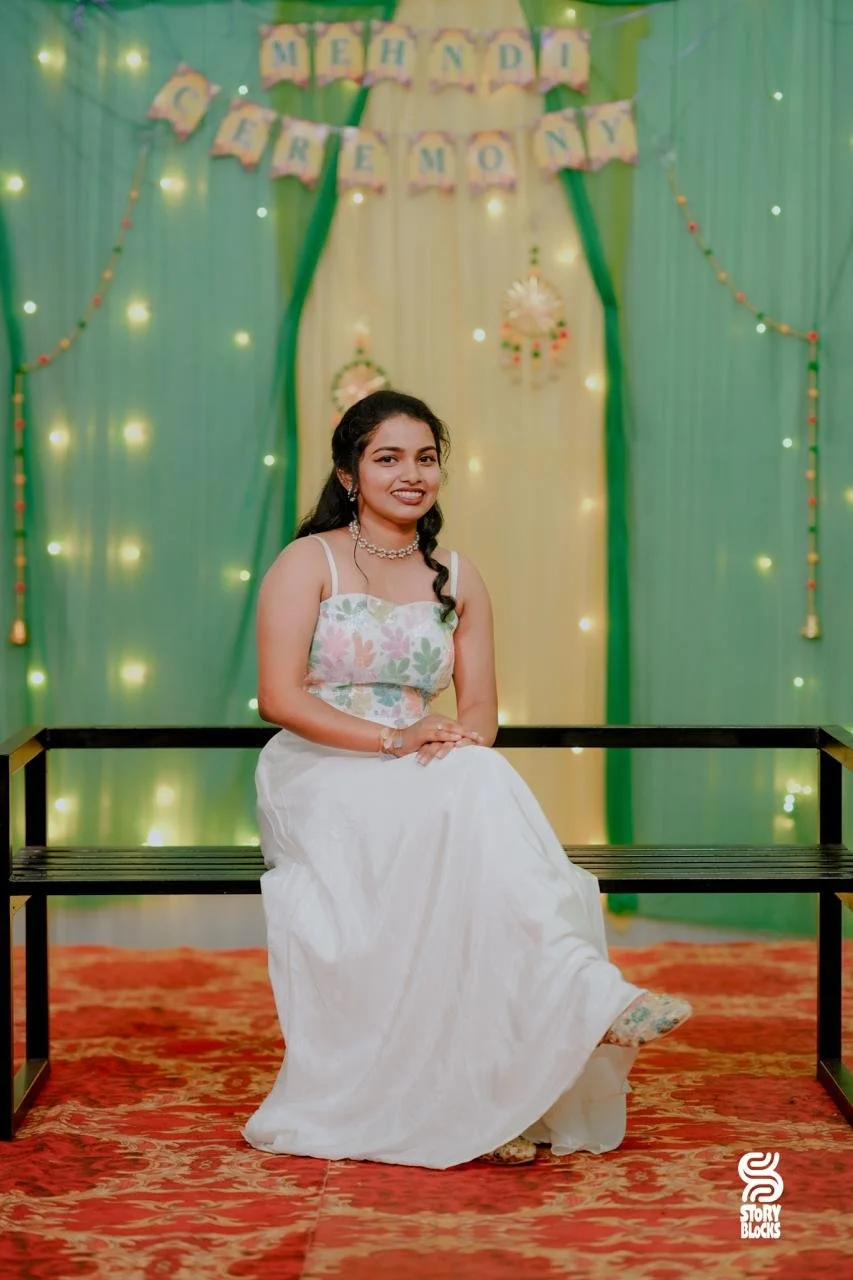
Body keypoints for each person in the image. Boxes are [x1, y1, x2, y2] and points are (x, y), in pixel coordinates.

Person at [242, 389, 691, 1169]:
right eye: (387, 458)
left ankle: (493, 1095)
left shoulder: (457, 572)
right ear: (350, 472)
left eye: (424, 458)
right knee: (468, 818)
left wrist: (453, 741)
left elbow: (479, 705)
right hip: (323, 767)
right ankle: (579, 1002)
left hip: (424, 765)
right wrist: (393, 740)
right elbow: (279, 698)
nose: (410, 474)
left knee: (478, 815)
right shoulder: (304, 560)